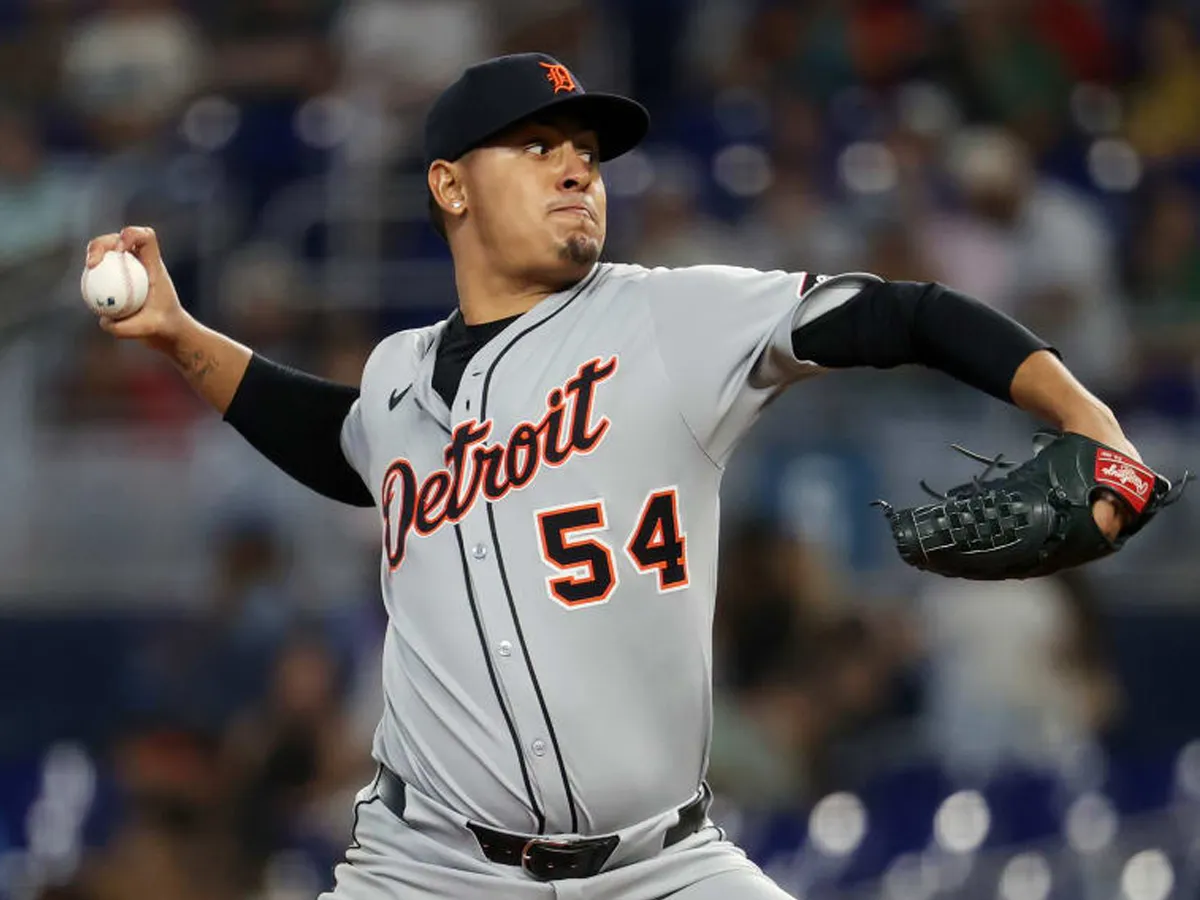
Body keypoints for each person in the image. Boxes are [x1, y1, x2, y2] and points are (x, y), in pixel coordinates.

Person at [85, 52, 1143, 900]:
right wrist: (179, 336)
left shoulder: (670, 316)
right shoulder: (398, 372)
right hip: (425, 869)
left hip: (661, 867)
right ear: (449, 185)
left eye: (586, 152)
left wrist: (1087, 418)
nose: (576, 168)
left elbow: (898, 314)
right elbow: (344, 443)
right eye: (537, 145)